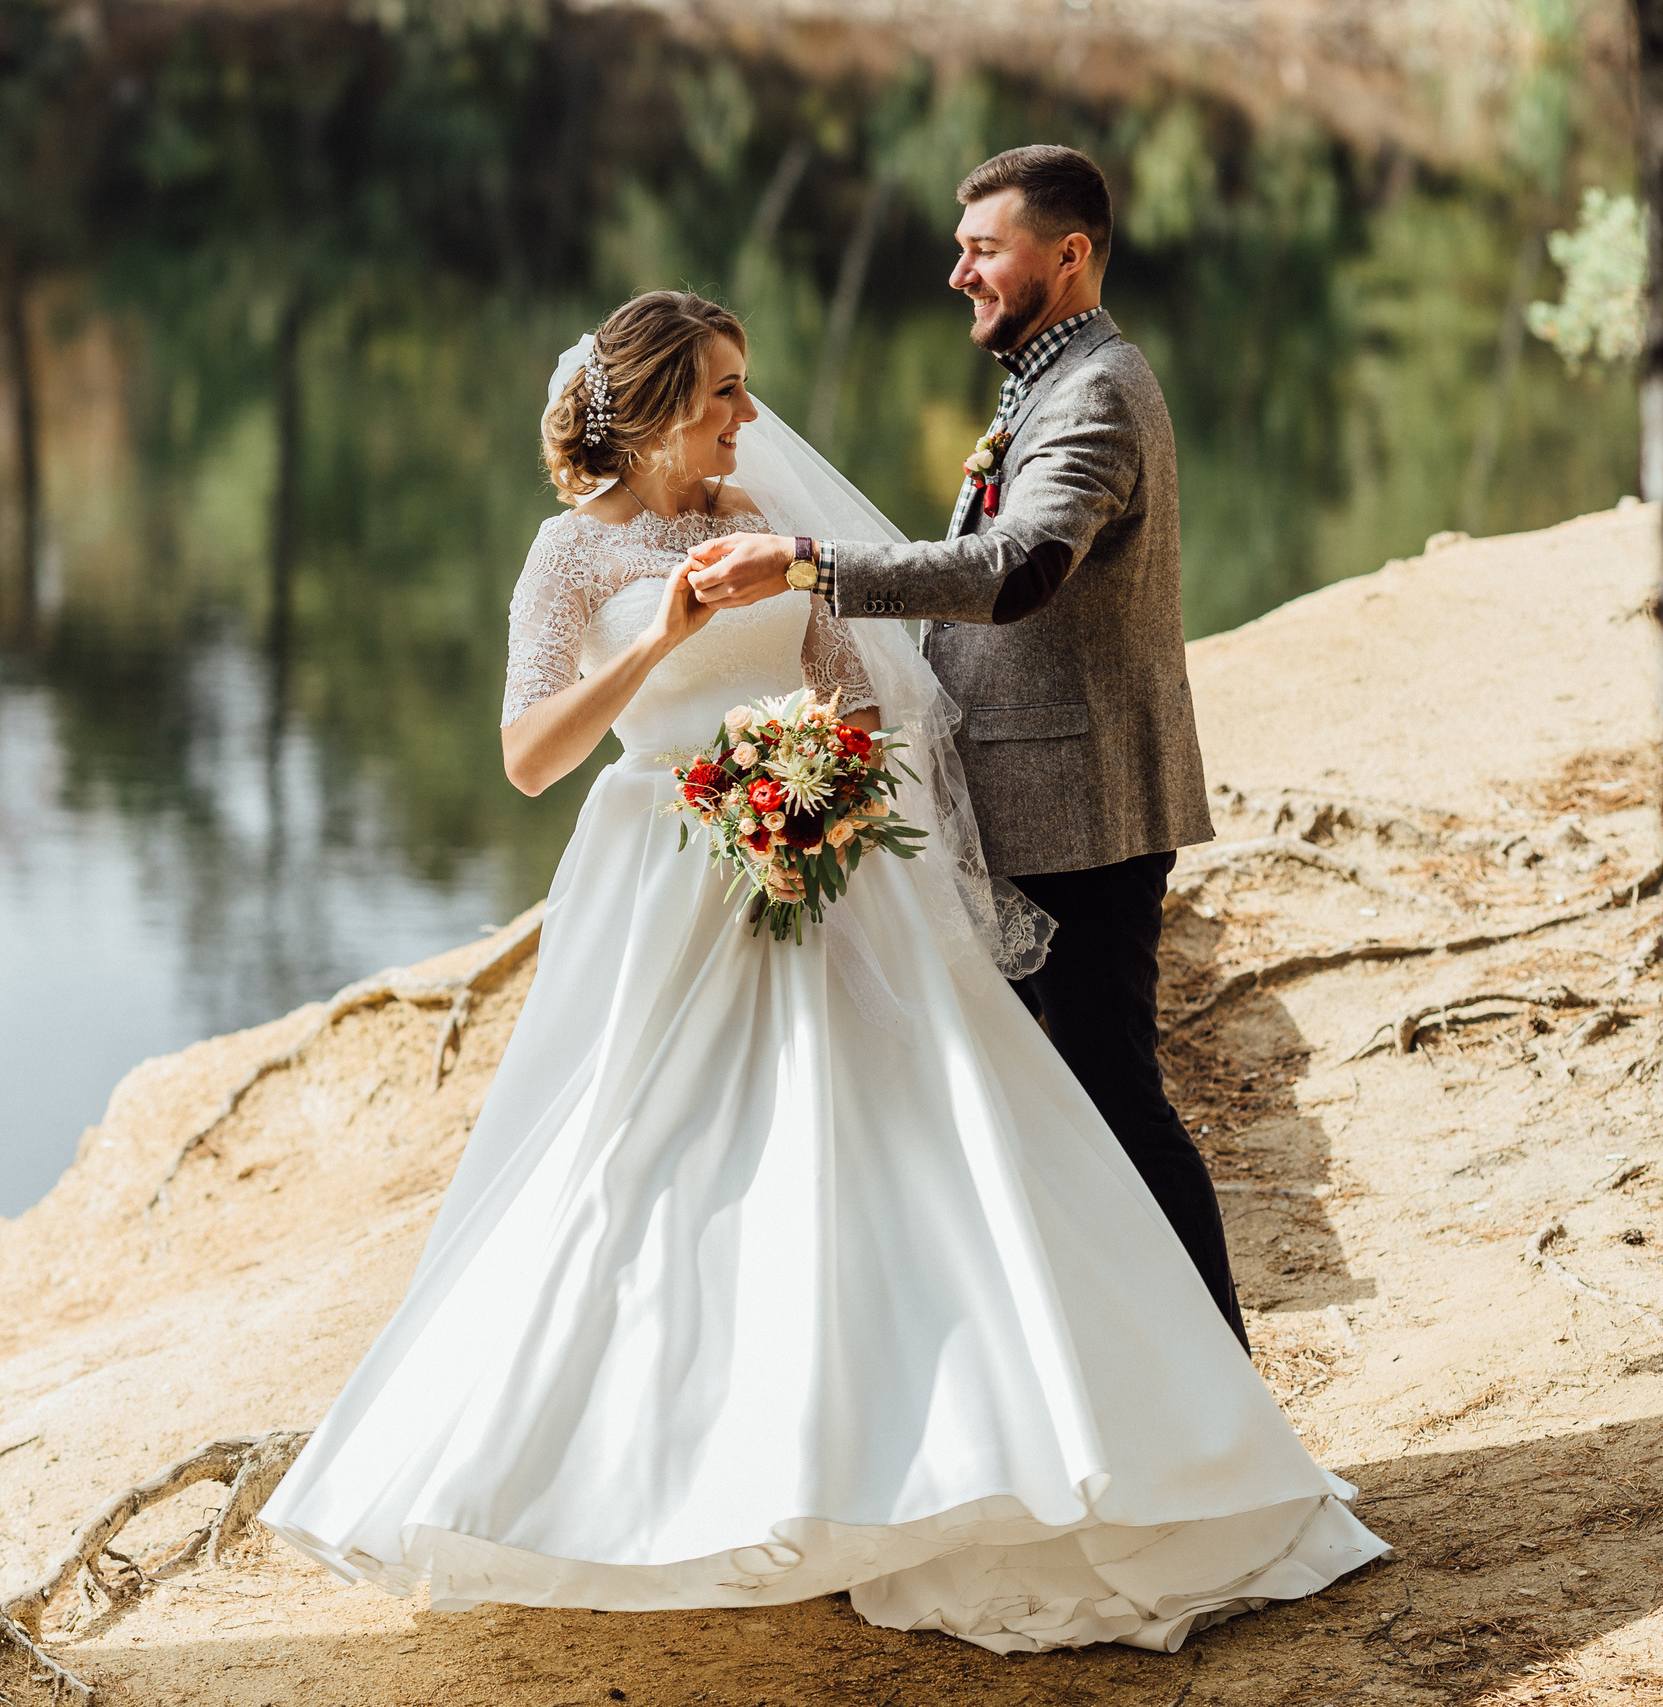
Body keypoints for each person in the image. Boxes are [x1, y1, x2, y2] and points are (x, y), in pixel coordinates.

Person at [257, 286, 1386, 1654]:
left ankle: (930, 1463)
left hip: (817, 865)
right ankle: (668, 1477)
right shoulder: (566, 556)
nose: (749, 413)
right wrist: (667, 644)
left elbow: (854, 688)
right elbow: (531, 754)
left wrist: (824, 778)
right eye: (726, 389)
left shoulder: (757, 531)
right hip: (660, 880)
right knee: (646, 1162)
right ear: (664, 404)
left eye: (744, 385)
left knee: (894, 1146)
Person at [683, 145, 1244, 1343]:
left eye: (983, 249)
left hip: (1081, 812)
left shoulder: (1094, 388)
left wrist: (804, 567)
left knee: (1112, 1098)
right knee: (1044, 1102)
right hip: (1030, 800)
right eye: (961, 249)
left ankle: (1228, 1401)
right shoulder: (1046, 378)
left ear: (1069, 254)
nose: (958, 273)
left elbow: (1018, 571)